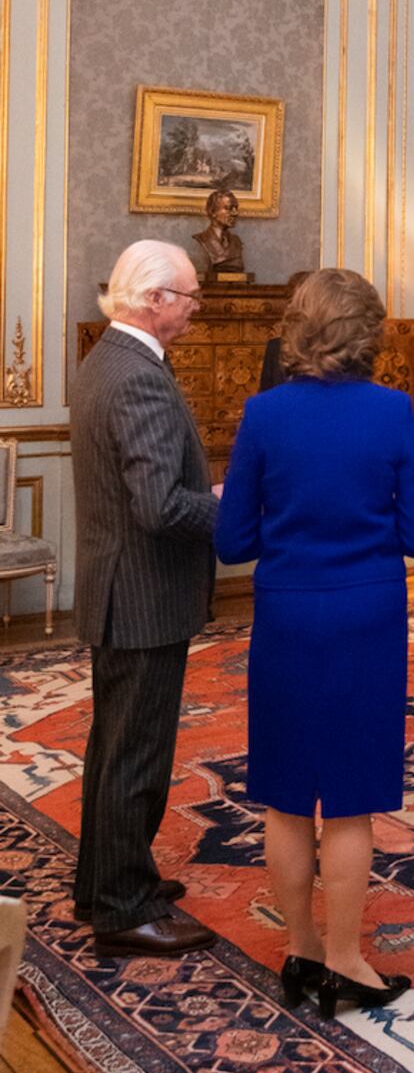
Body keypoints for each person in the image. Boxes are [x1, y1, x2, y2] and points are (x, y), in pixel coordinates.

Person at [214, 268, 414, 1019]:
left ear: (299, 327)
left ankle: (302, 950)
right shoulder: (392, 411)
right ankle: (347, 959)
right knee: (349, 799)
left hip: (286, 616)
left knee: (284, 794)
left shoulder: (263, 412)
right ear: (368, 334)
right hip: (366, 620)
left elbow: (233, 539)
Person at [70, 241, 218, 956]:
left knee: (113, 747)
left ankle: (105, 880)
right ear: (156, 299)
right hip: (143, 594)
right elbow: (162, 507)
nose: (193, 310)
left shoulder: (107, 359)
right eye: (189, 297)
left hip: (119, 587)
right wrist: (229, 508)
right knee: (136, 755)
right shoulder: (141, 378)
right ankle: (125, 909)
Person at [258, 272, 310, 391]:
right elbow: (266, 394)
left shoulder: (329, 352)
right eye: (290, 302)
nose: (293, 309)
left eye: (302, 303)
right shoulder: (275, 348)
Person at [192, 188, 245, 277]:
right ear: (212, 212)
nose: (235, 213)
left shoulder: (237, 242)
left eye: (236, 208)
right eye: (228, 208)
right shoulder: (201, 240)